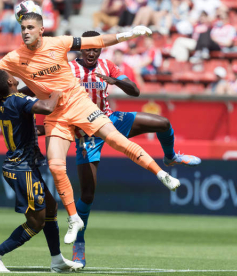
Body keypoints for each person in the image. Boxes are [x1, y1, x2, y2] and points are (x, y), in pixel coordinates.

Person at [0, 12, 181, 245]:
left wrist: (128, 34)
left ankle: (162, 174)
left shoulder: (59, 42)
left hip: (79, 104)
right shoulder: (14, 57)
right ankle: (74, 219)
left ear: (41, 30)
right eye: (23, 28)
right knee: (56, 166)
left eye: (30, 28)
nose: (25, 32)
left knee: (115, 139)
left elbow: (96, 41)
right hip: (55, 115)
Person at [67, 30, 201, 267]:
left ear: (100, 49)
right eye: (87, 48)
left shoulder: (107, 65)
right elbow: (44, 89)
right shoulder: (69, 69)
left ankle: (170, 158)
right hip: (87, 133)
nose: (91, 52)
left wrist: (116, 81)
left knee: (163, 123)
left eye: (95, 48)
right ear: (81, 48)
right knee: (88, 194)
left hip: (111, 120)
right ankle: (79, 242)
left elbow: (135, 90)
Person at [0, 68, 83, 273]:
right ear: (10, 81)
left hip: (22, 166)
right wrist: (57, 90)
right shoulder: (17, 99)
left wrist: (39, 84)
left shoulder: (4, 99)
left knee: (51, 207)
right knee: (36, 222)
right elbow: (46, 107)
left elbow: (27, 96)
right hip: (21, 169)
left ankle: (57, 260)